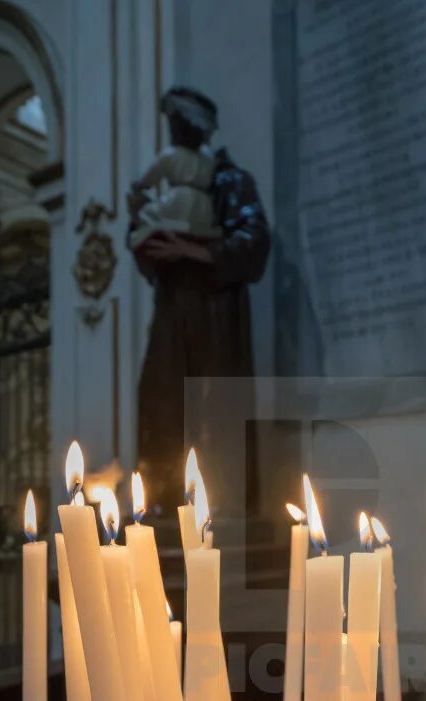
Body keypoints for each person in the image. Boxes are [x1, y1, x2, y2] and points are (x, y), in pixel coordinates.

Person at [129, 86, 270, 514]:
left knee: (216, 406)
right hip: (173, 309)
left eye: (180, 122)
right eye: (171, 123)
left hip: (215, 312)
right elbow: (148, 261)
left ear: (200, 128)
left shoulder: (230, 181)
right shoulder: (170, 186)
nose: (174, 131)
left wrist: (193, 250)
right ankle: (163, 503)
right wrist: (142, 225)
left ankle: (225, 509)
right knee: (161, 399)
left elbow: (254, 243)